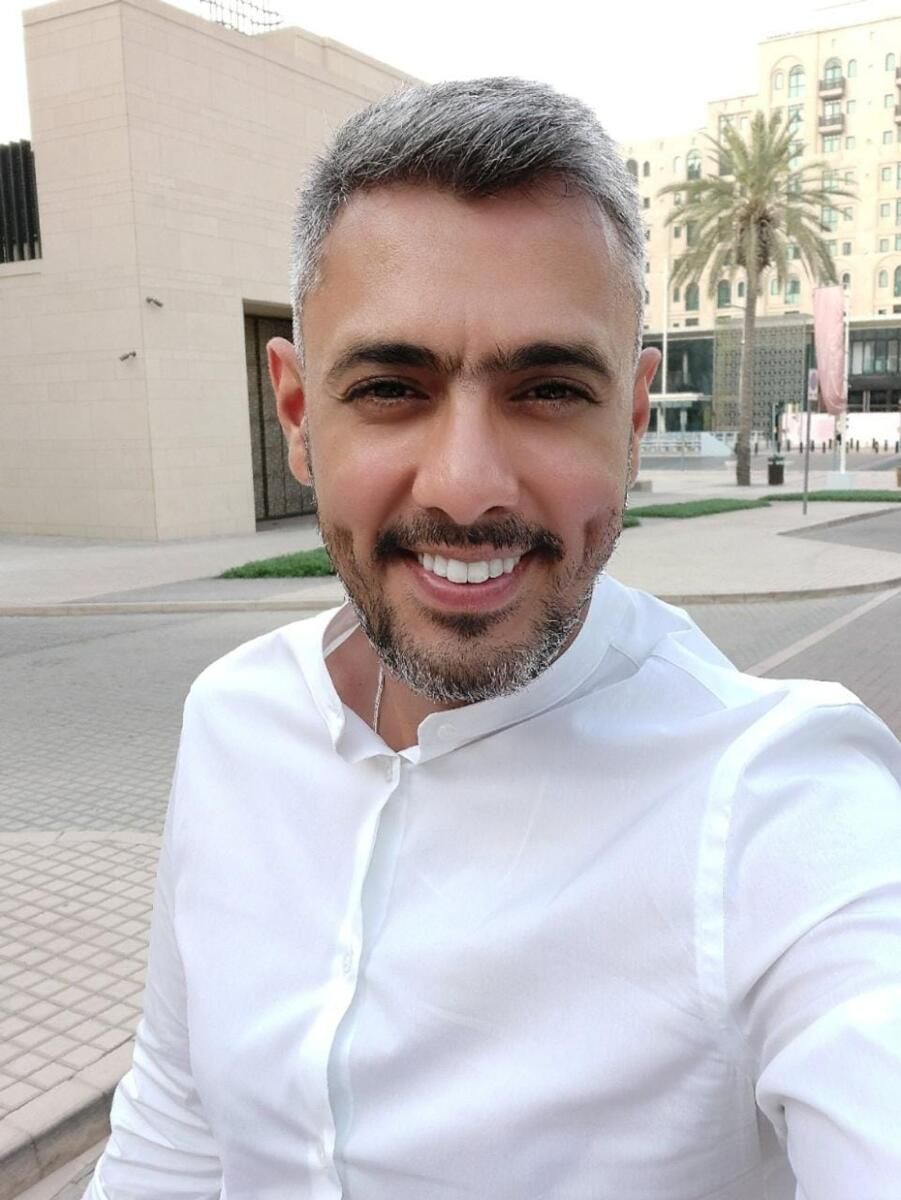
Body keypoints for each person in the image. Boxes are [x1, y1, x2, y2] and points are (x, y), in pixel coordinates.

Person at [84, 78, 901, 1200]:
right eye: (389, 387)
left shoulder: (775, 804)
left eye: (548, 389)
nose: (465, 487)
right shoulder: (232, 719)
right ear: (298, 416)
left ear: (630, 420)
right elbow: (176, 1124)